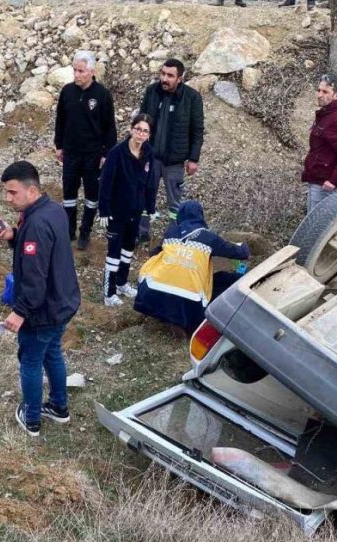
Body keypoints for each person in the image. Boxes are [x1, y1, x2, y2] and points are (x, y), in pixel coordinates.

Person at [0, 161, 81, 436]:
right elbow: (44, 251)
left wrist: (20, 312)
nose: (8, 198)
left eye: (12, 192)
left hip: (42, 309)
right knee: (52, 352)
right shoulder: (53, 210)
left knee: (30, 359)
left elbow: (35, 277)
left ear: (31, 190)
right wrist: (13, 236)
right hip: (62, 301)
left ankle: (31, 420)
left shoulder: (37, 224)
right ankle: (59, 407)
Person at [134, 200, 249, 334]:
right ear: (200, 216)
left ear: (180, 215)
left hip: (151, 294)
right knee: (227, 279)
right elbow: (242, 254)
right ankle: (184, 321)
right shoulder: (210, 238)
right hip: (189, 303)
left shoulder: (171, 232)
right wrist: (243, 244)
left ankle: (164, 313)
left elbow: (154, 254)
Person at [53, 50, 117, 250]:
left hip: (93, 155)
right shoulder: (67, 92)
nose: (77, 75)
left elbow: (109, 127)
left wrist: (107, 154)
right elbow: (60, 121)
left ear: (91, 71)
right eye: (75, 70)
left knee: (91, 195)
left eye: (81, 71)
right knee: (69, 193)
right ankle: (69, 230)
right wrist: (59, 145)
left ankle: (85, 231)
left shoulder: (102, 95)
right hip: (71, 152)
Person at [138, 57, 205, 242]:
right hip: (150, 157)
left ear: (180, 78)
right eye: (163, 74)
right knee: (144, 196)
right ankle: (141, 233)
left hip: (175, 161)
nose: (164, 79)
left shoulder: (192, 98)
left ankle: (172, 237)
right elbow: (141, 121)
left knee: (174, 204)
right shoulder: (152, 91)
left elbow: (197, 130)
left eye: (170, 75)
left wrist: (193, 159)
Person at [98, 113, 157, 307]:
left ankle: (122, 282)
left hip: (135, 211)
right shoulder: (117, 153)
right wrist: (104, 210)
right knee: (114, 252)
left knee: (128, 250)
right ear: (132, 129)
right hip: (117, 211)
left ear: (149, 134)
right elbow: (106, 182)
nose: (141, 134)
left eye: (145, 131)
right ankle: (109, 293)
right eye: (138, 129)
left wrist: (150, 207)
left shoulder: (148, 152)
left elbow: (149, 184)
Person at [301, 73, 337, 214]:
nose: (319, 95)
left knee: (316, 226)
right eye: (319, 90)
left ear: (336, 95)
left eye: (325, 92)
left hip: (324, 184)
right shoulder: (328, 113)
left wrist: (334, 181)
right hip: (317, 178)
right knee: (311, 221)